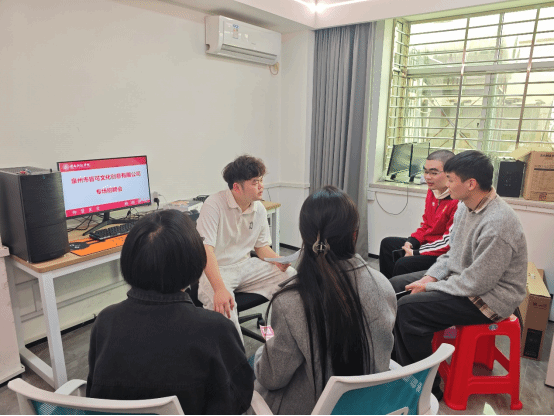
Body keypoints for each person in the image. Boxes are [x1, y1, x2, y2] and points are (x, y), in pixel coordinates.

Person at [390, 150, 528, 399]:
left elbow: (478, 283)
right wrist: (431, 277)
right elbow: (452, 254)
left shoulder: (498, 223)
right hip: (466, 281)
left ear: (471, 184)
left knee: (409, 310)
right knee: (394, 286)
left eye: (451, 179)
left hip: (490, 298)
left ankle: (425, 390)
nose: (446, 184)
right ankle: (401, 370)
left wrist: (430, 287)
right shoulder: (466, 207)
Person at [86, 210, 254, 415]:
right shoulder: (216, 329)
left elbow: (94, 392)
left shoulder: (105, 322)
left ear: (129, 260)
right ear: (194, 262)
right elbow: (240, 397)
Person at [254, 186, 396, 415]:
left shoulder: (289, 301)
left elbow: (271, 378)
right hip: (369, 404)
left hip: (311, 408)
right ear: (354, 235)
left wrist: (264, 348)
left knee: (254, 365)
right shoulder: (383, 285)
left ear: (304, 237)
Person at [196, 155, 296, 341]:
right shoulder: (214, 205)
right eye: (255, 182)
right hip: (218, 269)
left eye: (261, 180)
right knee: (226, 308)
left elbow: (261, 247)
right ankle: (238, 358)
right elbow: (206, 250)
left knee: (291, 278)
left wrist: (278, 260)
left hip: (245, 265)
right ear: (236, 187)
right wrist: (219, 289)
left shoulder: (259, 209)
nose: (261, 186)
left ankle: (281, 341)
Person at [379, 150, 458, 279]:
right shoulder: (433, 191)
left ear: (450, 173)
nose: (427, 177)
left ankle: (398, 289)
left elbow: (448, 244)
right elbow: (426, 224)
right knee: (387, 244)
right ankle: (386, 286)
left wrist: (416, 252)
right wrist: (411, 242)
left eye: (433, 173)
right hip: (428, 245)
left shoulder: (457, 200)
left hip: (443, 253)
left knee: (403, 263)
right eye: (425, 172)